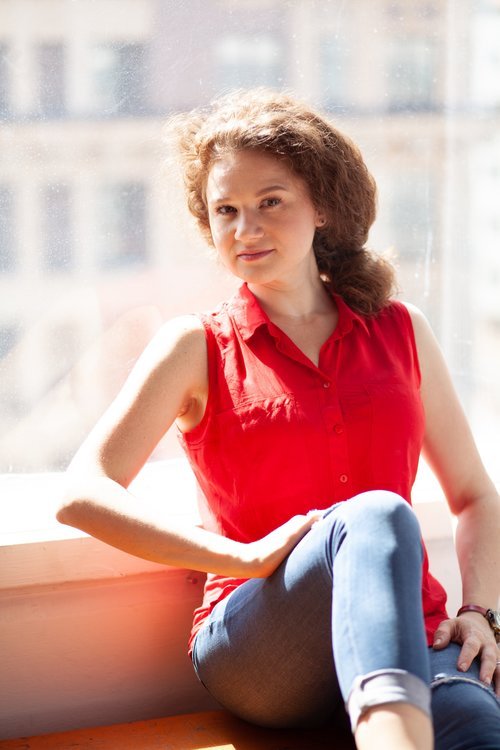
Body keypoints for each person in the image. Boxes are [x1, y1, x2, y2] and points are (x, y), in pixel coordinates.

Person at [56, 89, 500, 750]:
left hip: (407, 632)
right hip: (260, 648)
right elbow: (81, 494)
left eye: (270, 202)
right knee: (376, 514)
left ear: (323, 206)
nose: (245, 228)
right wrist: (242, 557)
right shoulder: (195, 346)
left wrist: (479, 612)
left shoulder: (402, 331)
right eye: (226, 210)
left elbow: (475, 496)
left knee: (477, 725)